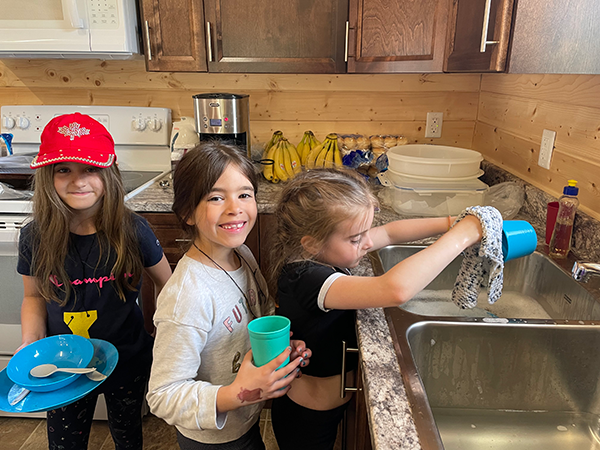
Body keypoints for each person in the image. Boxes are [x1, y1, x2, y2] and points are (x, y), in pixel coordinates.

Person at [269, 169, 484, 450]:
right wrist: (462, 237)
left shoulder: (323, 252)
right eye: (356, 239)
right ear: (311, 243)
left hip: (326, 409)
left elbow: (389, 231)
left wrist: (451, 222)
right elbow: (394, 289)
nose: (368, 243)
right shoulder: (306, 278)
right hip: (306, 419)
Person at [17, 112, 172, 450]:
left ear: (108, 173)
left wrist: (163, 333)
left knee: (128, 436)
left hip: (127, 359)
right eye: (64, 170)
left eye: (89, 169)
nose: (78, 181)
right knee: (65, 442)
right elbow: (32, 297)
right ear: (48, 175)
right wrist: (31, 343)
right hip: (62, 365)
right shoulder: (34, 237)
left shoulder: (134, 230)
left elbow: (168, 284)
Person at [146, 142, 311, 450]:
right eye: (216, 197)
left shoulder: (241, 254)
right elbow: (162, 395)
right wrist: (240, 392)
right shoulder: (188, 296)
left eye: (244, 194)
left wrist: (281, 347)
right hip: (213, 440)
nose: (235, 207)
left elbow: (257, 311)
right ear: (187, 212)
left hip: (243, 422)